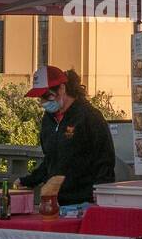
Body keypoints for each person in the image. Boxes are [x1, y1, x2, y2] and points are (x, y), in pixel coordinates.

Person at [17, 65, 116, 217]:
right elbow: (51, 160)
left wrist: (101, 193)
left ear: (62, 89)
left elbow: (105, 159)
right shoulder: (48, 120)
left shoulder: (89, 117)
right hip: (56, 202)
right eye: (40, 98)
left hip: (84, 202)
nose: (42, 102)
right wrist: (28, 181)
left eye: (46, 96)